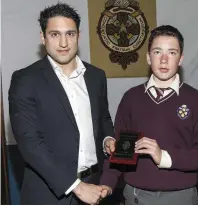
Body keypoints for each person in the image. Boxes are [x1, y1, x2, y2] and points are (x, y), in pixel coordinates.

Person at [100, 25, 198, 204]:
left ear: (180, 59)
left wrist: (164, 156)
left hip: (181, 197)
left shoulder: (196, 100)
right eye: (157, 52)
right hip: (135, 196)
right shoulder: (131, 98)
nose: (164, 60)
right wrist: (106, 184)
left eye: (171, 53)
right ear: (148, 57)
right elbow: (120, 150)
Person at [9, 3, 113, 205]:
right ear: (43, 37)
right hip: (49, 194)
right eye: (55, 34)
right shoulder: (25, 80)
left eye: (70, 34)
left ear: (79, 36)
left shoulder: (96, 76)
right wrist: (76, 186)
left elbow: (104, 118)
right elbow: (30, 143)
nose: (64, 42)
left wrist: (108, 138)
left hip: (95, 187)